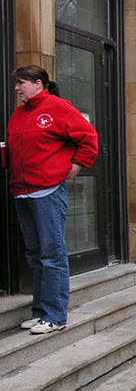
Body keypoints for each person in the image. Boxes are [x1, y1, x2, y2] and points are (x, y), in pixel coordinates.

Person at [7, 65, 99, 334]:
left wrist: (77, 166)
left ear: (38, 84)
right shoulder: (19, 114)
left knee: (52, 255)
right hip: (22, 192)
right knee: (35, 255)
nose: (16, 88)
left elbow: (88, 138)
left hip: (47, 192)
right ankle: (40, 312)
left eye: (21, 83)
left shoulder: (58, 108)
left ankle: (56, 316)